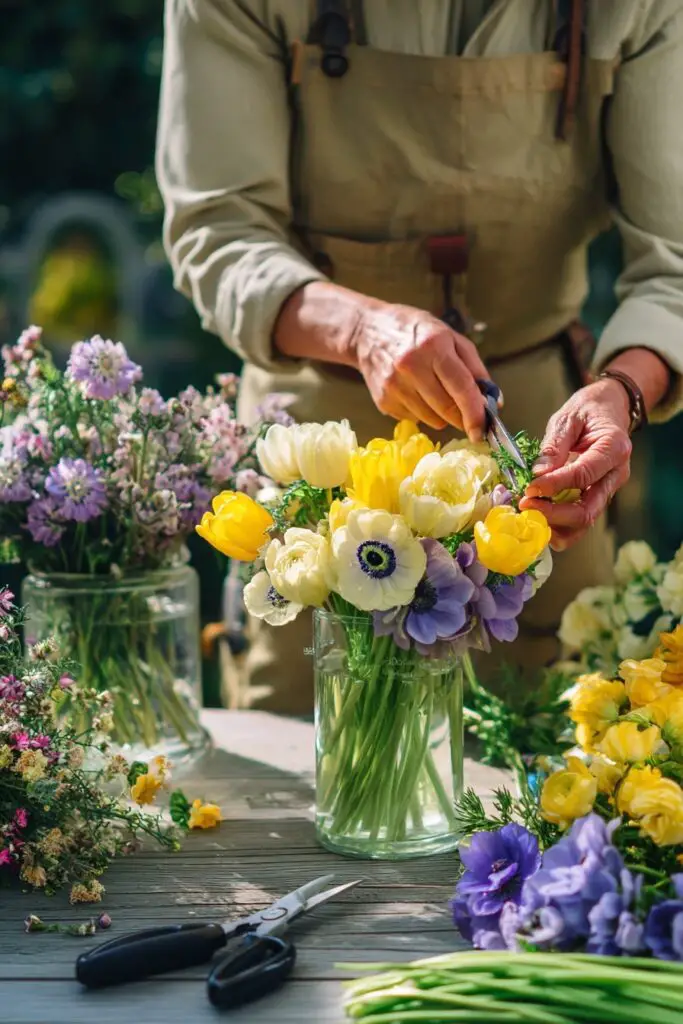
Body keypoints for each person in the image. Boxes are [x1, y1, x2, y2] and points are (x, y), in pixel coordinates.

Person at [157, 0, 682, 713]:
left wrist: (622, 388)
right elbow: (218, 228)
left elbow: (673, 258)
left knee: (548, 754)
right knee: (302, 761)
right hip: (320, 444)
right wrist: (360, 330)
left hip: (539, 441)